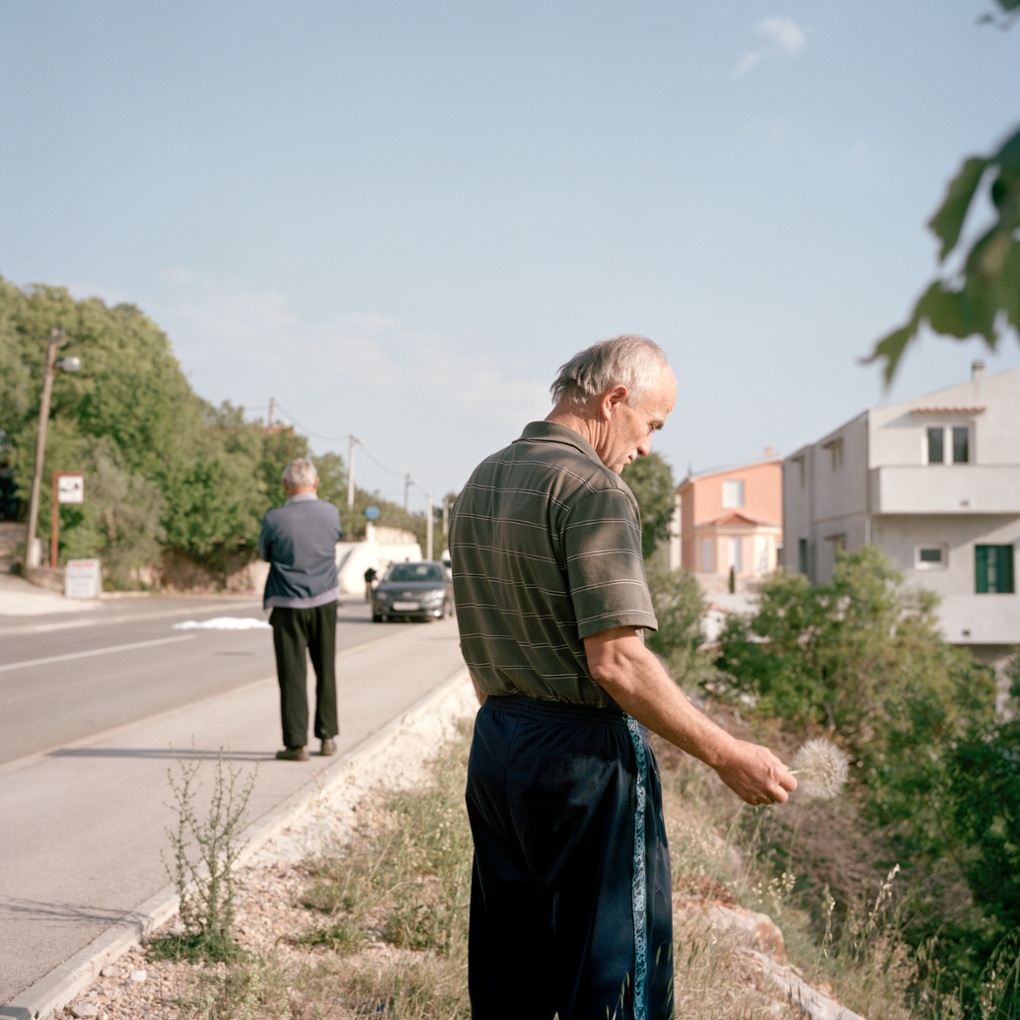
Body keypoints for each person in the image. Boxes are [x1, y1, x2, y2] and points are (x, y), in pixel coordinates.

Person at [449, 335, 796, 1020]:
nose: (646, 448)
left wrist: (513, 725)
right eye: (651, 426)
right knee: (613, 985)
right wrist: (730, 755)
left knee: (513, 976)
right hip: (580, 760)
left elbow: (478, 635)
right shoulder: (592, 489)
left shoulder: (480, 481)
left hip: (496, 746)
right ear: (614, 400)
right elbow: (617, 659)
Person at [258, 458, 343, 762]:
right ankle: (328, 737)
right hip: (325, 601)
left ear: (285, 485)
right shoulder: (331, 512)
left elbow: (265, 553)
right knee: (325, 669)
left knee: (292, 675)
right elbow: (334, 540)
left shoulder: (274, 519)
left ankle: (296, 745)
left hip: (287, 603)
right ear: (316, 482)